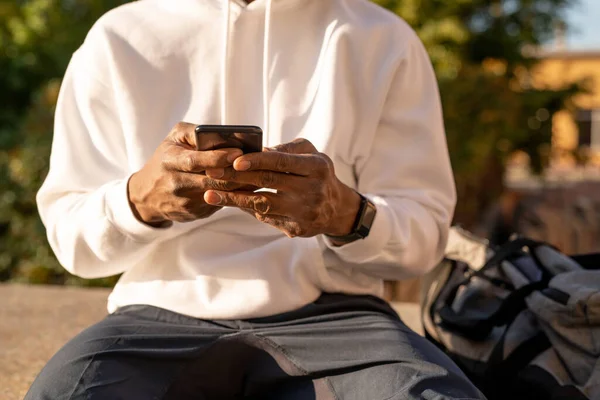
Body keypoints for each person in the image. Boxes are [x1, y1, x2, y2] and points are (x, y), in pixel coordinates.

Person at [26, 0, 485, 399]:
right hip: (156, 319)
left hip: (339, 319)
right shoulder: (118, 38)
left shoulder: (381, 38)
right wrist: (140, 201)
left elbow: (426, 234)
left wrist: (342, 211)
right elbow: (71, 239)